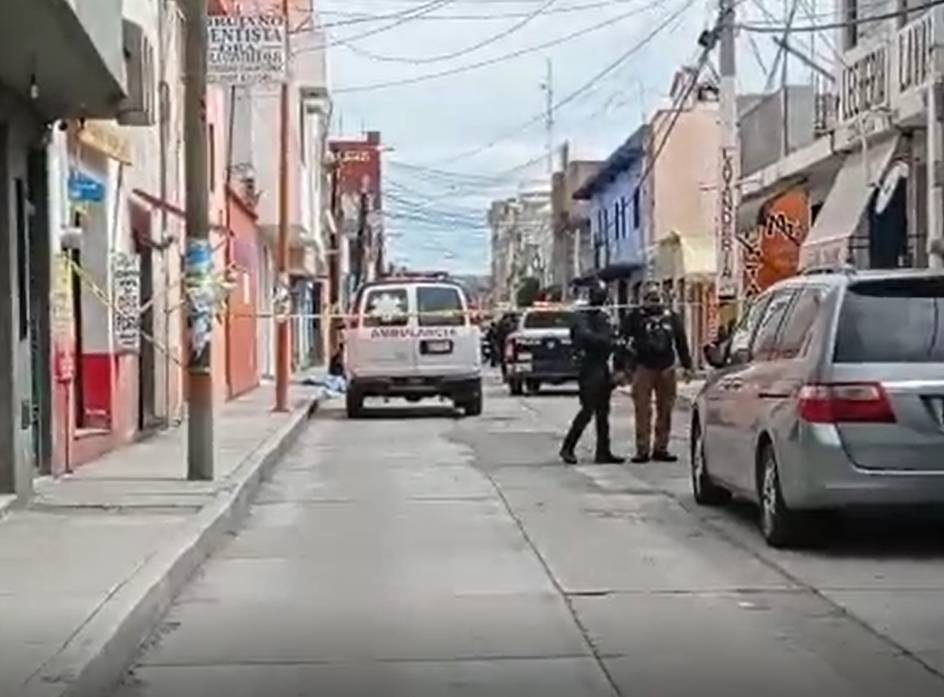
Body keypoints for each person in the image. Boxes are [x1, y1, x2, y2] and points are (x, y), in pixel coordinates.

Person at [621, 283, 693, 463]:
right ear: (643, 300)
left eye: (657, 298)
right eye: (650, 298)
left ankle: (661, 448)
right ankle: (642, 449)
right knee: (643, 410)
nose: (654, 302)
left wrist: (687, 366)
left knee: (665, 409)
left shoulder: (672, 318)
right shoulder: (635, 317)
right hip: (643, 367)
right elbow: (623, 342)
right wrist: (622, 368)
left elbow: (681, 342)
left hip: (666, 368)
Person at [560, 280, 625, 465]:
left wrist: (615, 346)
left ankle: (603, 451)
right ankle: (568, 447)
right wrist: (606, 342)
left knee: (603, 412)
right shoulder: (582, 316)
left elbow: (611, 336)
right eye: (598, 294)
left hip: (602, 365)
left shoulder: (603, 317)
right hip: (588, 366)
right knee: (588, 409)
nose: (601, 298)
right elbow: (585, 337)